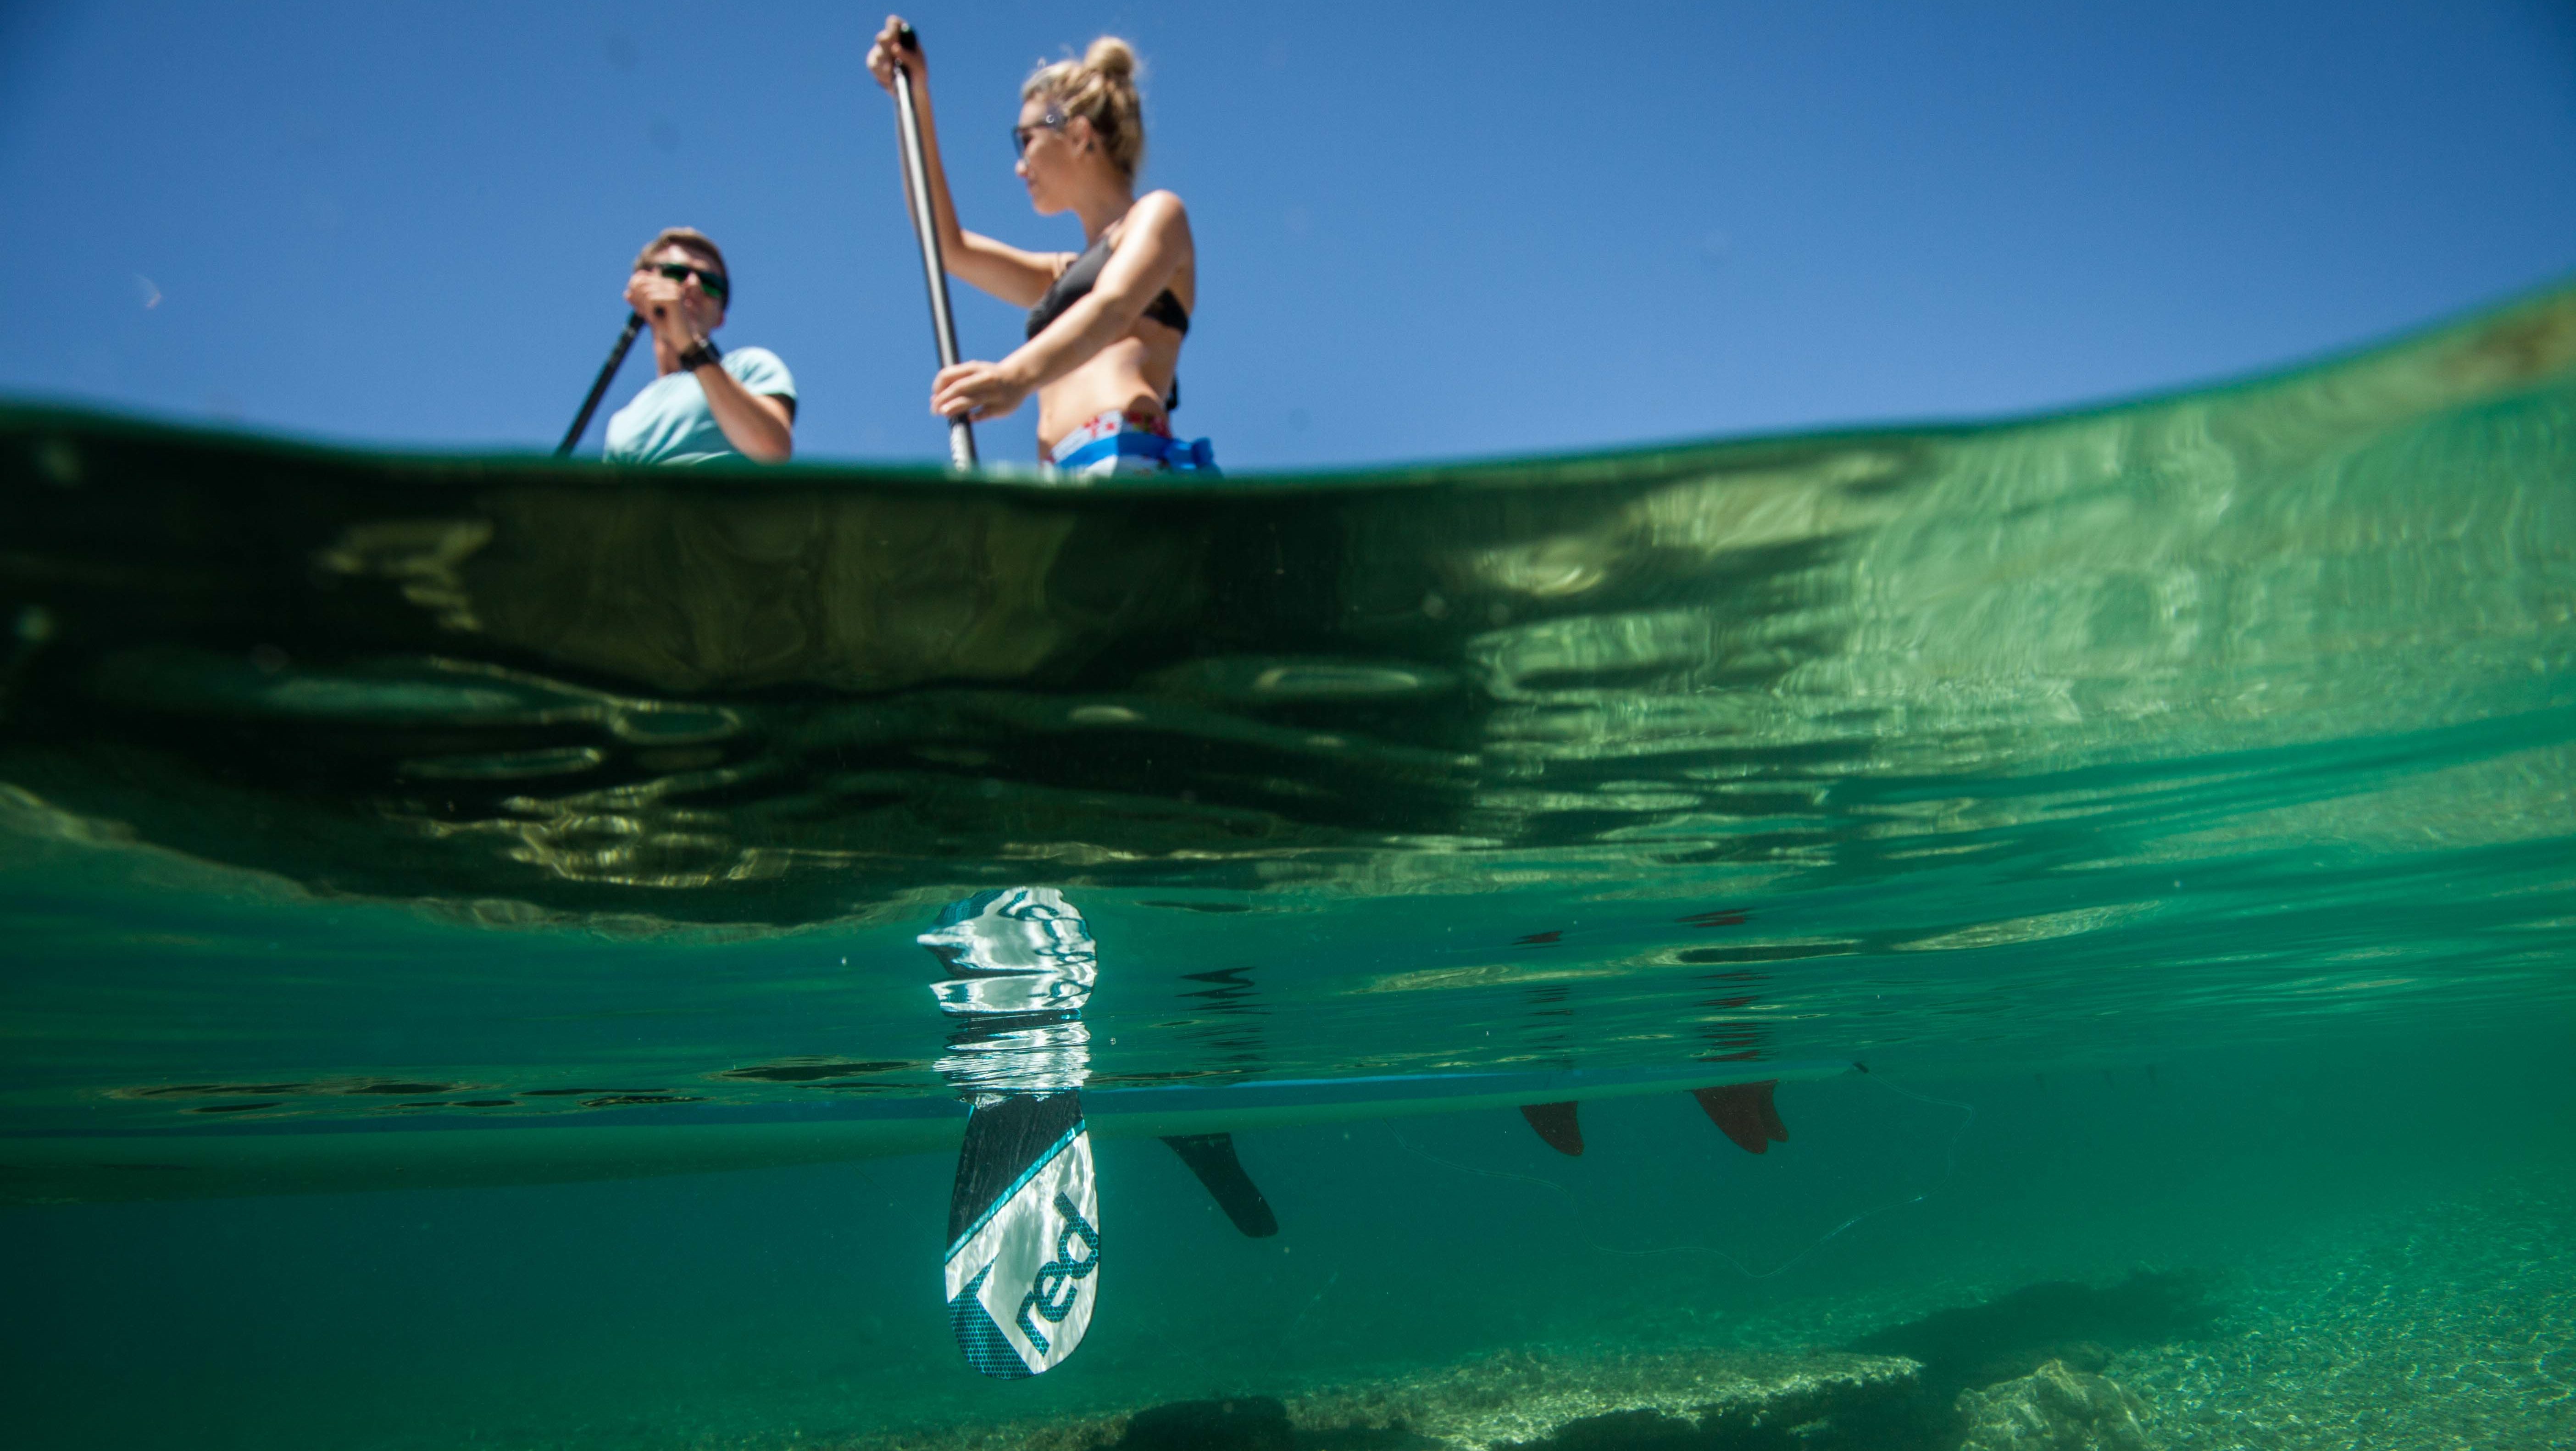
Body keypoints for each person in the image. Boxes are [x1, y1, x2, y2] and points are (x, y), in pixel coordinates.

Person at [867, 18, 1215, 476]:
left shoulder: (1159, 216)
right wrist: (913, 99)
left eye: (1026, 139)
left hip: (1127, 458)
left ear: (1077, 134)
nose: (1019, 166)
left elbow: (1113, 307)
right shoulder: (1061, 275)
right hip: (1061, 478)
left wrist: (1015, 378)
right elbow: (946, 247)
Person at [602, 228, 798, 465]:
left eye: (711, 283)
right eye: (676, 273)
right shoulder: (624, 421)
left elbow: (773, 450)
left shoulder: (749, 366)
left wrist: (691, 346)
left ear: (720, 317)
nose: (693, 284)